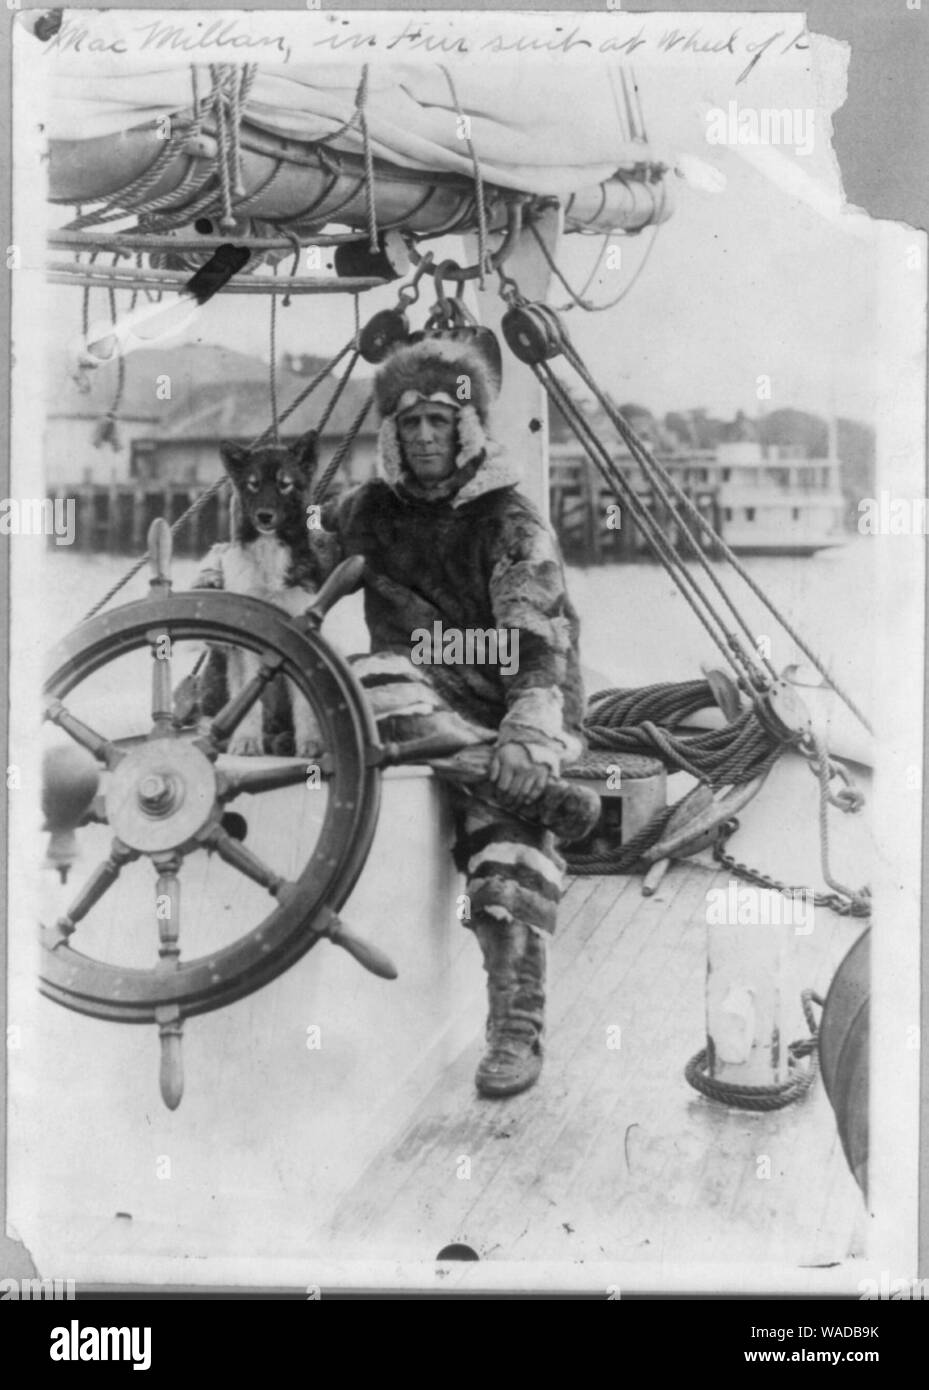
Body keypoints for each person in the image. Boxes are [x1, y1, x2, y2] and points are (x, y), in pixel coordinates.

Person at [315, 333, 591, 1098]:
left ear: (467, 428)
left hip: (510, 704)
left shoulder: (509, 519)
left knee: (505, 863)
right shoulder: (367, 511)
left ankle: (514, 1028)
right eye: (411, 425)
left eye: (440, 422)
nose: (427, 437)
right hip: (414, 700)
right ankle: (498, 781)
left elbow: (539, 642)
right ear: (392, 435)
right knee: (367, 677)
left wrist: (531, 738)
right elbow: (297, 549)